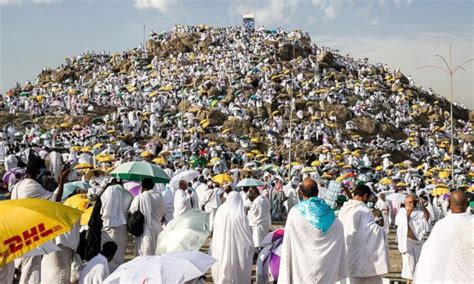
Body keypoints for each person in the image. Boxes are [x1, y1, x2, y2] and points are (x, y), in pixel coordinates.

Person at [278, 178, 347, 283]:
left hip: (301, 271)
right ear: (317, 192)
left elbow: (288, 242)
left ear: (301, 192)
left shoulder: (295, 212)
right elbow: (339, 229)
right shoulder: (330, 214)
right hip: (325, 272)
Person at [414, 191, 471, 283]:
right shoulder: (471, 223)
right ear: (467, 204)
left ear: (449, 203)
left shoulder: (441, 225)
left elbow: (429, 255)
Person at [338, 184, 389, 284]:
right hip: (363, 258)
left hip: (348, 254)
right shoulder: (364, 211)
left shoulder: (344, 210)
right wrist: (381, 230)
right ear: (365, 196)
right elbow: (371, 232)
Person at [210, 192, 254, 283]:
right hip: (238, 249)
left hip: (221, 245)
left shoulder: (221, 210)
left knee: (223, 264)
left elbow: (216, 228)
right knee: (238, 270)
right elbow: (246, 235)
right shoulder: (240, 214)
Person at [395, 194, 430, 284]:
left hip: (419, 243)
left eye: (414, 201)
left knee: (419, 269)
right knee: (410, 271)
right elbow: (402, 224)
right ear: (405, 202)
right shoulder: (402, 212)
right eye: (410, 202)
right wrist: (409, 212)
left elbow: (427, 217)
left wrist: (422, 206)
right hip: (408, 243)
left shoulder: (419, 212)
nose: (412, 204)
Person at [100, 182, 133, 272]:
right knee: (119, 255)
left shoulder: (111, 189)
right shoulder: (128, 194)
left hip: (111, 225)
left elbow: (107, 208)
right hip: (123, 227)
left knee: (108, 257)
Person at [129, 178, 165, 256]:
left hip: (144, 230)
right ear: (153, 186)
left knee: (144, 255)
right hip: (157, 228)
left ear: (142, 186)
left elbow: (132, 211)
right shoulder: (160, 196)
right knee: (156, 253)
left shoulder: (140, 197)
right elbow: (162, 213)